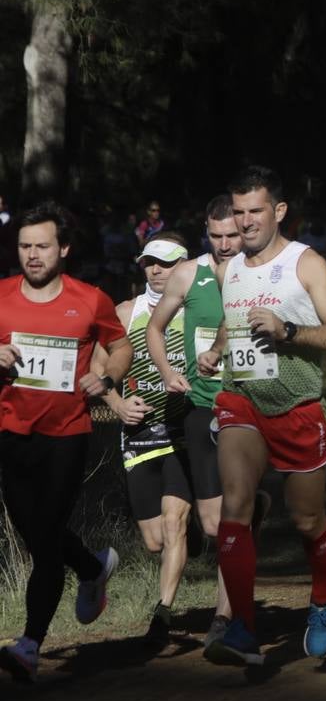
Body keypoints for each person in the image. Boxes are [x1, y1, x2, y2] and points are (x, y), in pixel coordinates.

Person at [198, 166, 326, 667]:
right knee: (235, 506)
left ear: (278, 211)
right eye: (238, 211)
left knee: (308, 519)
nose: (244, 222)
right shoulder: (231, 268)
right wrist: (219, 348)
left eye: (255, 211)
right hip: (240, 400)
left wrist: (287, 330)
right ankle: (243, 627)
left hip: (299, 406)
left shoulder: (307, 264)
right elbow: (234, 315)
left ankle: (323, 596)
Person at [0, 203, 131, 682]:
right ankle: (93, 568)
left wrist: (108, 377)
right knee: (39, 537)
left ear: (64, 249)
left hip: (67, 436)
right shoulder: (0, 297)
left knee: (47, 535)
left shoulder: (90, 299)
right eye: (25, 246)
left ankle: (30, 644)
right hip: (11, 433)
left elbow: (121, 347)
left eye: (42, 246)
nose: (32, 255)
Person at [146, 195, 253, 651]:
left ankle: (226, 616)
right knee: (212, 525)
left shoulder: (262, 273)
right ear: (205, 233)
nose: (226, 244)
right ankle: (255, 512)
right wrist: (169, 372)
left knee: (230, 519)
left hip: (247, 407)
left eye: (233, 235)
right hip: (201, 406)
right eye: (217, 235)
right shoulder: (190, 273)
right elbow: (155, 327)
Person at [98, 234, 202, 647]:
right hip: (140, 433)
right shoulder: (127, 312)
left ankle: (163, 611)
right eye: (148, 264)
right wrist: (118, 405)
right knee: (155, 539)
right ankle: (203, 524)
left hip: (183, 430)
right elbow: (99, 368)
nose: (156, 271)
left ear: (184, 264)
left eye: (164, 263)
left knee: (174, 524)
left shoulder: (196, 309)